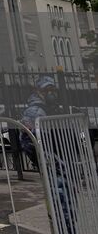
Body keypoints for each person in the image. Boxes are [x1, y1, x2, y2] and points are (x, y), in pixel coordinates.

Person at [20, 76, 79, 234]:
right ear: (38, 91)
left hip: (64, 166)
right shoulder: (35, 111)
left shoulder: (52, 108)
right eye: (47, 90)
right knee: (62, 211)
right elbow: (28, 140)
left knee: (69, 210)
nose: (51, 93)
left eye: (53, 89)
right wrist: (47, 162)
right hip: (55, 168)